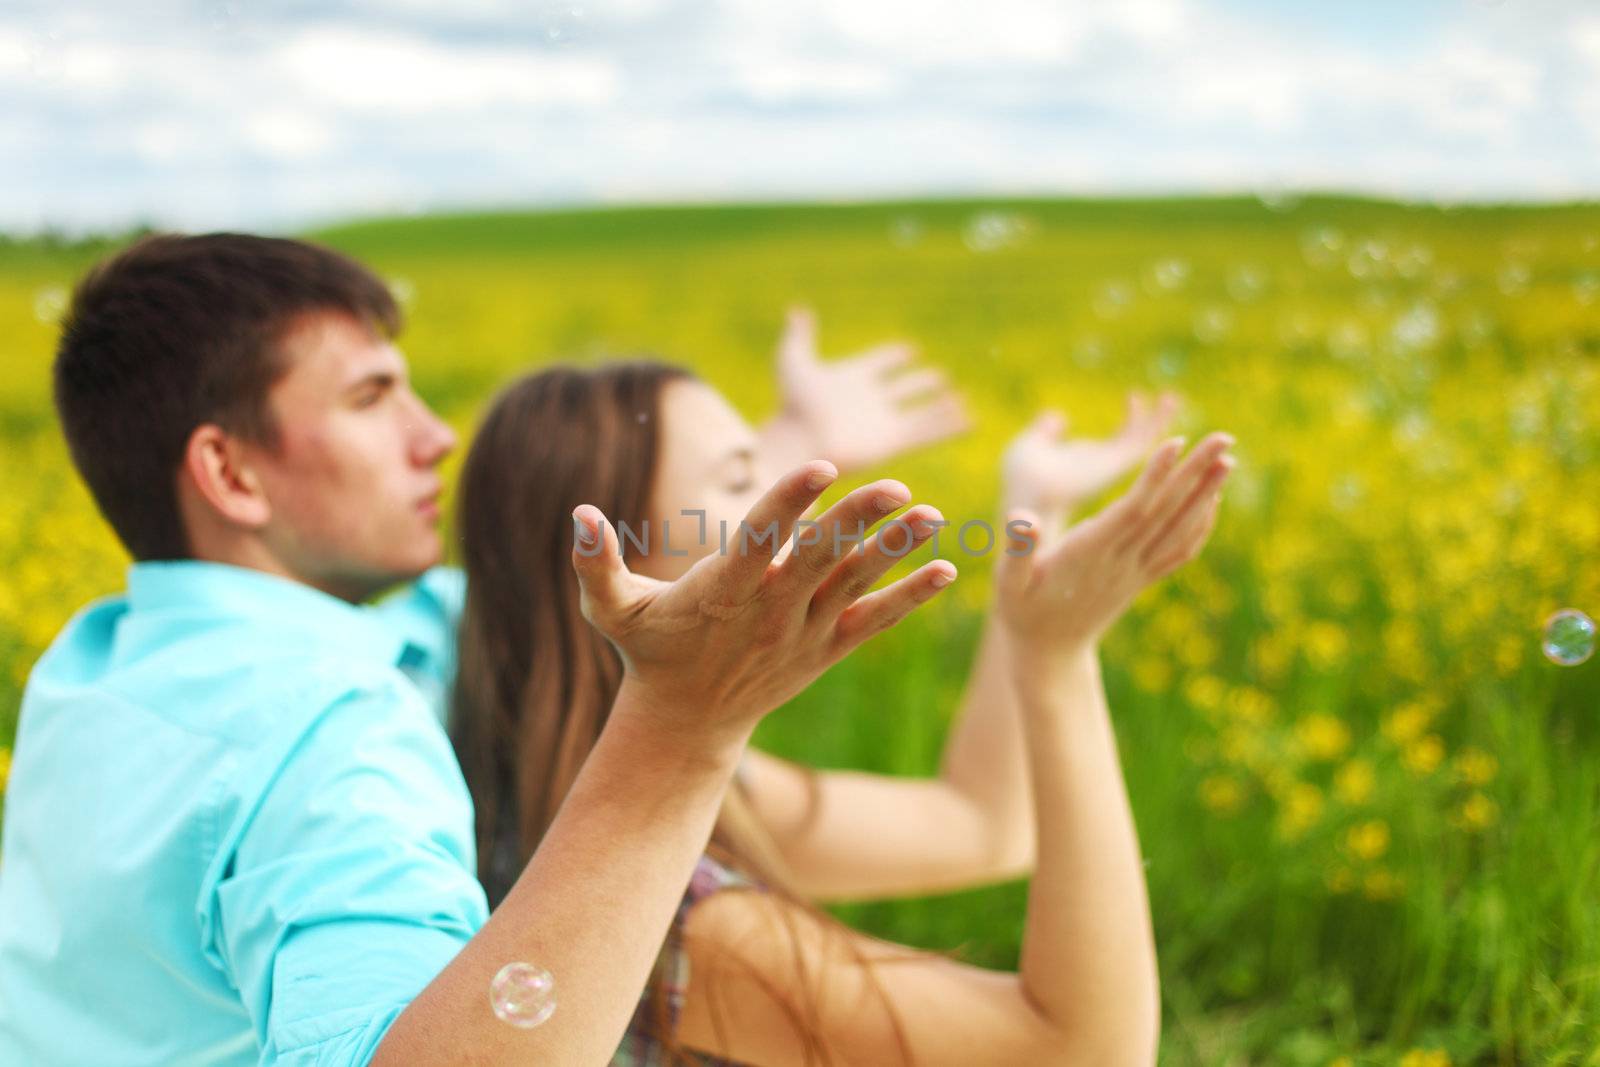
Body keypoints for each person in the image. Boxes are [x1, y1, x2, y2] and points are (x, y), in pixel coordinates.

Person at [0, 232, 966, 1066]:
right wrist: (681, 730)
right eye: (372, 397)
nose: (436, 435)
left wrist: (779, 452)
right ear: (229, 471)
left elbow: (538, 578)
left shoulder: (103, 663)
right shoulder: (332, 729)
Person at [450, 360, 1224, 1065]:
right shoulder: (677, 925)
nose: (782, 508)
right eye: (736, 478)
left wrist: (1032, 513)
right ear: (614, 561)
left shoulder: (607, 789)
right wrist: (1057, 660)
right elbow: (1082, 1053)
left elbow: (982, 824)